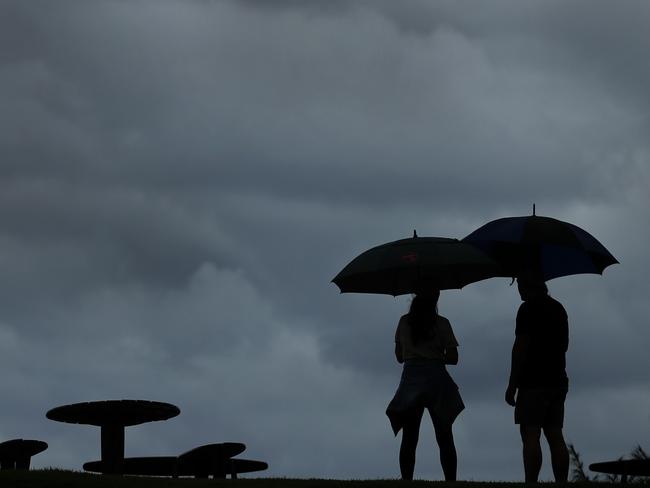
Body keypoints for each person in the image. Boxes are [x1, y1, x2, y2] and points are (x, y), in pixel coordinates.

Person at [386, 290, 465, 481]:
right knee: (445, 435)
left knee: (409, 437)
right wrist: (436, 357)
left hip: (411, 379)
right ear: (435, 298)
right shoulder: (442, 323)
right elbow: (453, 358)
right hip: (437, 380)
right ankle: (450, 481)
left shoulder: (404, 322)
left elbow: (399, 357)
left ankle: (407, 480)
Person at [505, 276, 570, 483]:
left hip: (532, 382)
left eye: (522, 286)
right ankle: (561, 482)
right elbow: (565, 345)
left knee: (530, 433)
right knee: (555, 434)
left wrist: (512, 384)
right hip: (557, 379)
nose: (520, 292)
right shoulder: (559, 308)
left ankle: (531, 481)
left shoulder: (526, 310)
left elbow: (520, 347)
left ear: (529, 286)